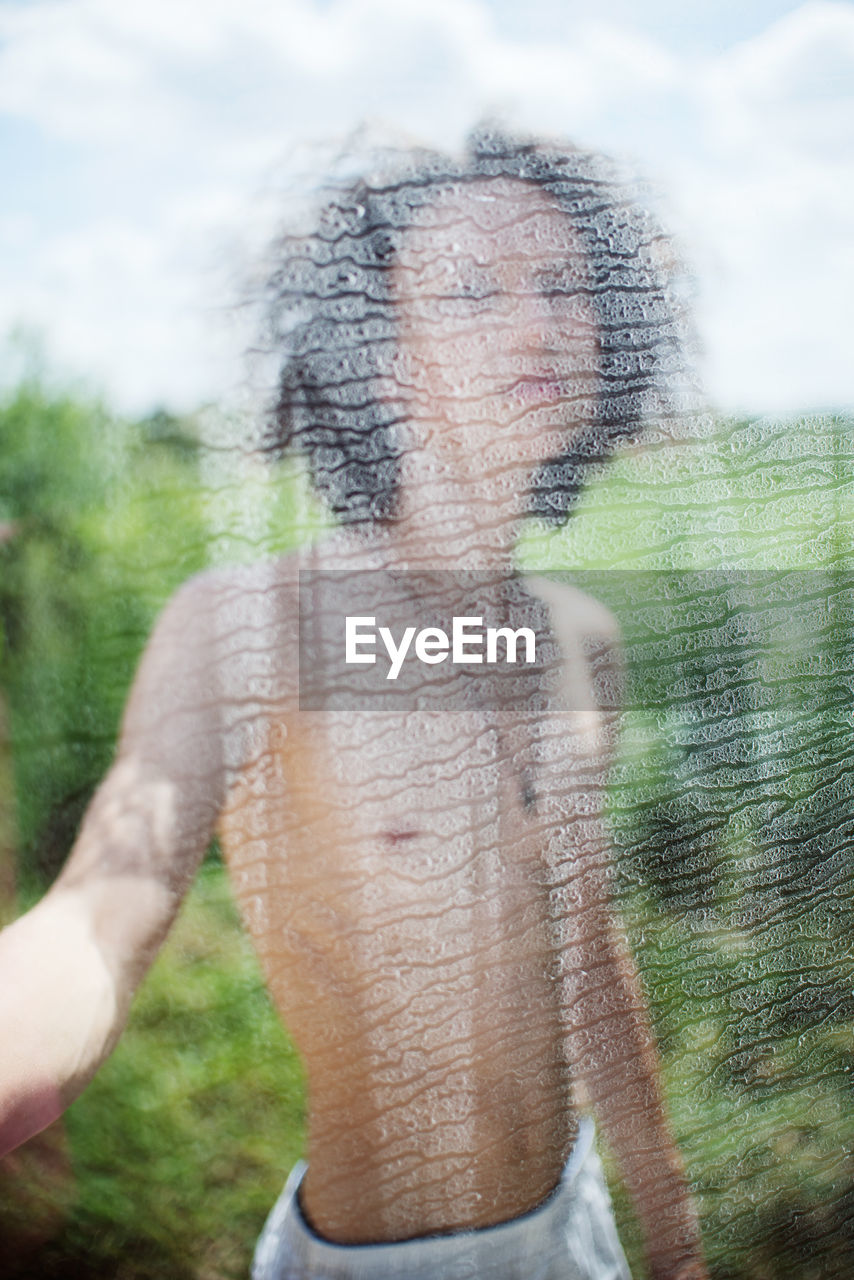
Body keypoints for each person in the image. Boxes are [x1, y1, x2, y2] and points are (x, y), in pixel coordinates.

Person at [0, 128, 707, 1279]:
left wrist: (670, 1228)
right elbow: (97, 911)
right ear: (375, 359)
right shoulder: (249, 626)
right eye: (472, 289)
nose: (540, 321)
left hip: (577, 1231)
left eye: (565, 283)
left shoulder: (582, 637)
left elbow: (584, 940)